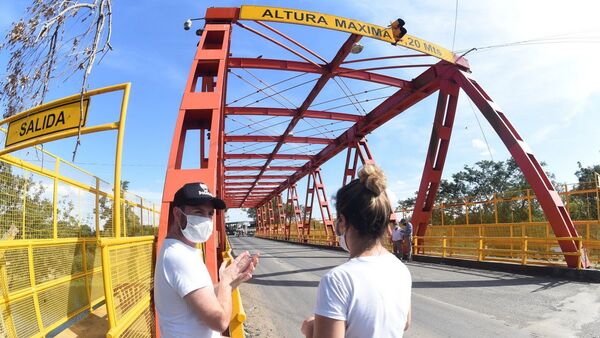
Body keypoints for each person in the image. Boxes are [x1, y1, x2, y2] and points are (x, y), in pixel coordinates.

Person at [301, 164, 412, 338]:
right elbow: (404, 323)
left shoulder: (337, 280)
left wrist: (310, 329)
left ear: (343, 221)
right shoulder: (401, 269)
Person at [154, 182, 259, 338]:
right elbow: (220, 321)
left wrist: (234, 280)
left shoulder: (182, 250)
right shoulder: (179, 257)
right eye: (198, 212)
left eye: (210, 213)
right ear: (177, 214)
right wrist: (226, 282)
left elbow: (203, 297)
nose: (206, 219)